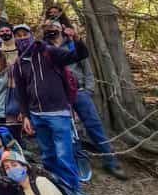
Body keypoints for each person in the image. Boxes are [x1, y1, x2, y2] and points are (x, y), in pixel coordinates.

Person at [12, 22, 89, 189]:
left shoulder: (48, 52)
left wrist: (75, 38)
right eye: (18, 36)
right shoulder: (18, 64)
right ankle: (55, 188)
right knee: (47, 155)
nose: (22, 38)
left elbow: (79, 55)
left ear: (31, 35)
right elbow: (21, 93)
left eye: (24, 34)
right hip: (37, 115)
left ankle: (73, 191)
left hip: (58, 113)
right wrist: (25, 116)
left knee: (64, 156)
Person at [52, 23, 127, 180]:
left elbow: (86, 67)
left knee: (94, 125)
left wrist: (88, 90)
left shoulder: (72, 44)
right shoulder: (45, 48)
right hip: (59, 94)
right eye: (49, 28)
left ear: (61, 29)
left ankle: (110, 161)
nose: (53, 30)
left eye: (56, 27)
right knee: (68, 129)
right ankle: (77, 162)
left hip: (79, 92)